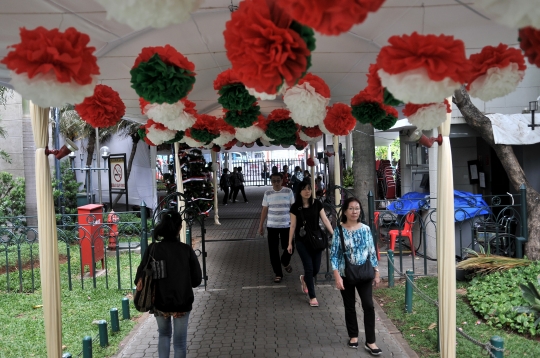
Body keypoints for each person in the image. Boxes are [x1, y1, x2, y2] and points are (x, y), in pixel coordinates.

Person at [134, 210, 202, 358]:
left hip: (160, 302)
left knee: (164, 335)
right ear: (179, 228)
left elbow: (139, 277)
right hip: (182, 303)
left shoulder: (153, 249)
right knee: (179, 342)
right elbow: (197, 280)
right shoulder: (186, 250)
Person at [330, 197, 382, 355]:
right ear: (345, 211)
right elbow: (334, 256)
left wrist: (377, 272)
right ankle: (353, 335)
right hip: (346, 273)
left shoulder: (366, 229)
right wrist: (337, 277)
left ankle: (371, 341)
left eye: (357, 208)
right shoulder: (339, 230)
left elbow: (372, 251)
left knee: (368, 306)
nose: (354, 211)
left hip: (365, 273)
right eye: (351, 208)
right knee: (349, 305)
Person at [287, 180, 333, 307]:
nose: (307, 191)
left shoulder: (317, 203)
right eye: (304, 189)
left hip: (316, 239)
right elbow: (293, 226)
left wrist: (333, 233)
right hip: (302, 241)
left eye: (309, 188)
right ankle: (312, 297)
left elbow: (325, 219)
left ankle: (304, 279)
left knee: (316, 268)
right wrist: (289, 243)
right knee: (309, 267)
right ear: (299, 191)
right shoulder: (295, 207)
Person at [258, 172, 295, 283]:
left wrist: (295, 223)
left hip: (286, 225)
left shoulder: (288, 191)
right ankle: (278, 273)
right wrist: (261, 226)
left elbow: (293, 208)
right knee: (273, 251)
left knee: (290, 246)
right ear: (271, 181)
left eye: (278, 180)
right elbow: (264, 210)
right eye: (274, 181)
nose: (276, 183)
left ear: (282, 180)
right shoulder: (267, 193)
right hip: (272, 225)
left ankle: (285, 260)